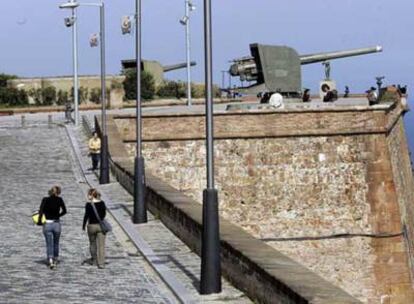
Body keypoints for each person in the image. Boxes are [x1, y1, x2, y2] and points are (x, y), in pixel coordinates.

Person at [38, 186, 67, 269]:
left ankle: (50, 259)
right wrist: (58, 215)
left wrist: (40, 221)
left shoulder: (45, 200)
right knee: (56, 243)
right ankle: (56, 258)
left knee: (49, 243)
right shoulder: (60, 200)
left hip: (47, 223)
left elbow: (41, 211)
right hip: (56, 223)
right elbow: (65, 211)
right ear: (58, 192)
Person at [82, 188, 107, 269]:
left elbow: (86, 216)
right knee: (101, 245)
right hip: (100, 226)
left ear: (91, 195)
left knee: (92, 243)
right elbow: (103, 215)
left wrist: (83, 225)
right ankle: (101, 263)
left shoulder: (88, 205)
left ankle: (94, 260)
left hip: (91, 226)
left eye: (88, 194)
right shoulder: (102, 203)